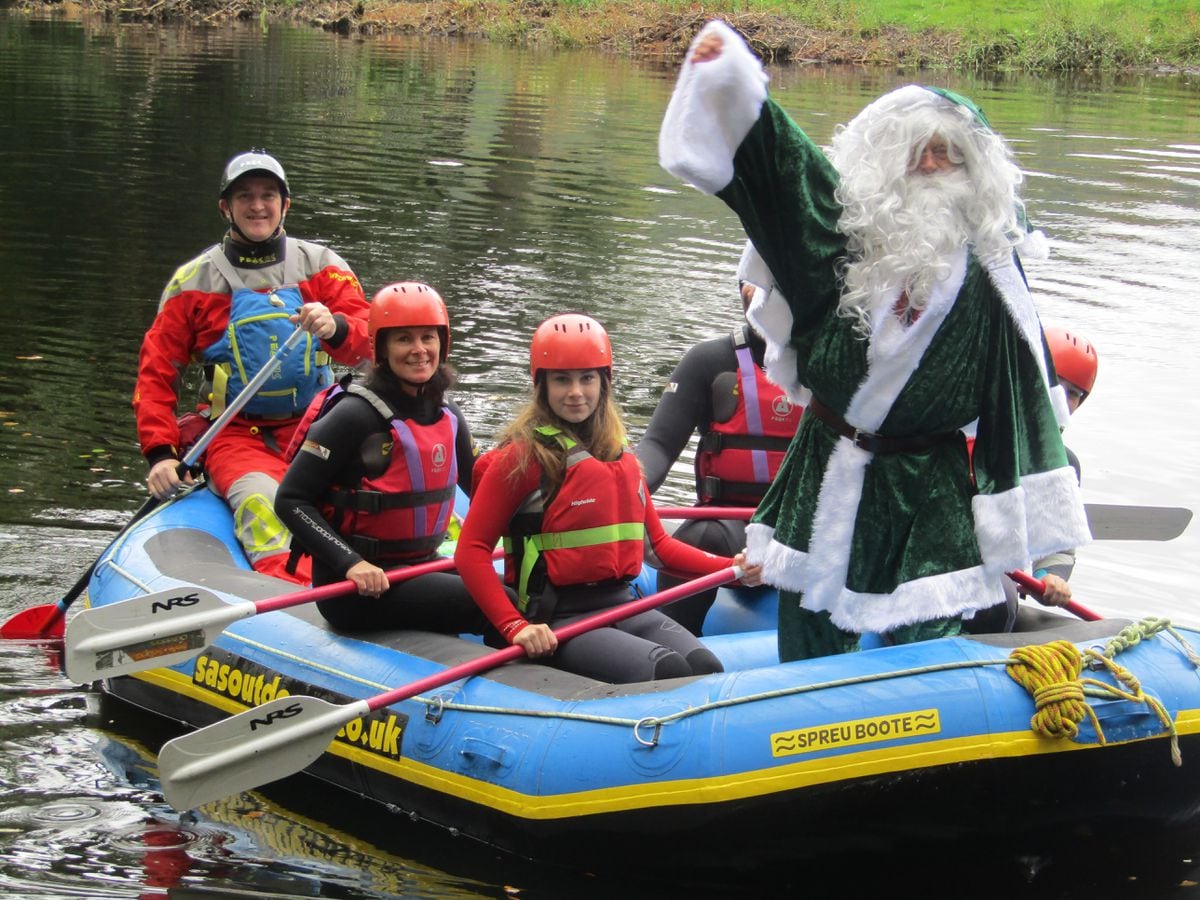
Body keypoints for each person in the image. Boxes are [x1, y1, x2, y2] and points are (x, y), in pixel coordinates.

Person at [659, 21, 1091, 661]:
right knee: (807, 628)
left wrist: (1046, 546)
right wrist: (733, 82)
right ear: (891, 158)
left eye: (951, 153)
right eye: (922, 150)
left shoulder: (994, 276)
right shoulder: (843, 240)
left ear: (976, 169)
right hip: (828, 463)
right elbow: (788, 176)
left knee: (930, 632)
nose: (936, 164)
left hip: (930, 482)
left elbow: (1022, 393)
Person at [454, 313, 762, 683]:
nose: (576, 392)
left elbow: (658, 548)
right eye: (562, 380)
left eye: (587, 378)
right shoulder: (521, 458)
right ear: (541, 385)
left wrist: (732, 568)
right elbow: (470, 551)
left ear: (604, 382)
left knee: (706, 667)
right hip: (557, 618)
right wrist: (514, 626)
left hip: (623, 604)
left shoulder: (621, 454)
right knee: (667, 671)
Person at [134, 150, 372, 584]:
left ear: (286, 204)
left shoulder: (324, 268)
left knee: (374, 495)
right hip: (236, 435)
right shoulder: (193, 282)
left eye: (268, 195)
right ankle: (299, 606)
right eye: (244, 196)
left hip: (320, 428)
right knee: (264, 502)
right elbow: (157, 372)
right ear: (226, 207)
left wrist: (336, 327)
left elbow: (369, 344)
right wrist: (160, 453)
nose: (257, 206)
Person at [275, 282, 490, 634]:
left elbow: (483, 489)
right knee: (498, 602)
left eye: (428, 338)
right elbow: (291, 500)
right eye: (404, 339)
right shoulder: (354, 415)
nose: (419, 350)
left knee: (520, 594)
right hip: (355, 588)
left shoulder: (447, 412)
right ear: (383, 348)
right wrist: (351, 563)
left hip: (420, 565)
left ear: (442, 343)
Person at [635, 265, 804, 634]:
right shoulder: (709, 361)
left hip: (802, 529)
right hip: (730, 530)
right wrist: (624, 483)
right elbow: (659, 445)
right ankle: (669, 653)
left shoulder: (827, 366)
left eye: (767, 286)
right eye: (748, 283)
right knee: (699, 536)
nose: (753, 294)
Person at [969, 326, 1099, 631]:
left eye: (1073, 393)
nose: (1060, 398)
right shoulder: (972, 433)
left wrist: (1048, 579)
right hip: (942, 568)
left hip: (1001, 581)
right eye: (1053, 384)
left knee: (1000, 601)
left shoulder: (1065, 466)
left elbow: (1059, 545)